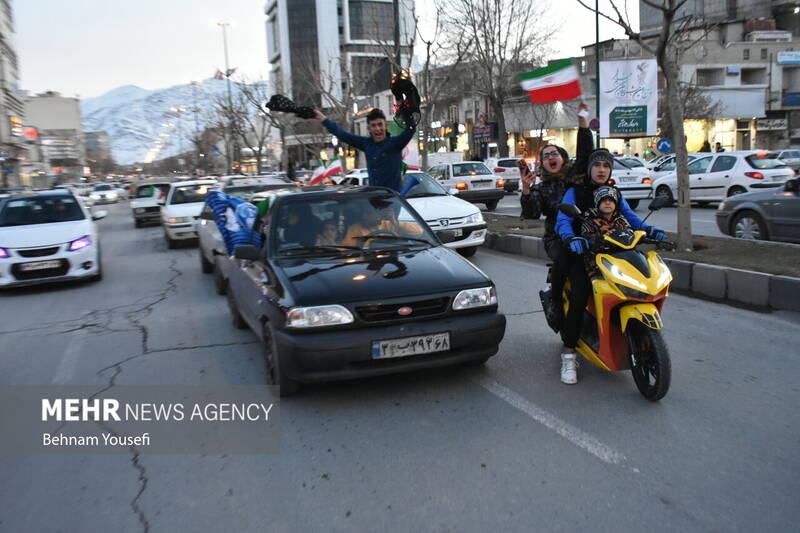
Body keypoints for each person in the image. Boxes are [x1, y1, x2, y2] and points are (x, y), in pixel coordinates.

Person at [554, 148, 666, 385]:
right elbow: (563, 220)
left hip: (614, 251)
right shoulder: (575, 192)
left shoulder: (615, 192)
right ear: (590, 168)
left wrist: (649, 230)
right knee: (579, 297)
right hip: (582, 251)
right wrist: (571, 238)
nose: (602, 170)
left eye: (606, 166)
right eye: (598, 165)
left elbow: (630, 217)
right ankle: (569, 354)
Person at [518, 101, 592, 331]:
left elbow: (586, 153)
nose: (551, 157)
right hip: (557, 239)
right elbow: (531, 214)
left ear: (562, 158)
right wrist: (527, 189)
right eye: (546, 155)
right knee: (565, 258)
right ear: (543, 164)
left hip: (588, 233)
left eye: (555, 153)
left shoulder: (576, 176)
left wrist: (583, 123)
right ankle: (557, 304)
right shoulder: (542, 188)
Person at [313, 108, 416, 192]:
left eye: (380, 124)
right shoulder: (366, 143)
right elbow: (342, 134)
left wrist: (406, 111)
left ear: (386, 126)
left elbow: (410, 130)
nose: (377, 128)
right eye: (373, 125)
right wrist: (322, 118)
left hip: (392, 199)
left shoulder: (395, 143)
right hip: (373, 199)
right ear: (369, 128)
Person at [579, 186, 631, 278]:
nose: (607, 203)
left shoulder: (620, 219)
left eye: (611, 200)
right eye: (603, 200)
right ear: (597, 203)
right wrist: (600, 239)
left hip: (620, 258)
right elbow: (587, 237)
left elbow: (629, 232)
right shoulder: (589, 220)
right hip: (596, 260)